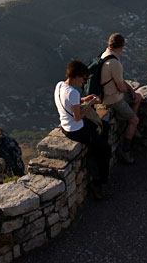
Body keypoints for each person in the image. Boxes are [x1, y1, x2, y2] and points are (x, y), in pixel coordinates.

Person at [54, 60, 111, 199]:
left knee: (105, 127)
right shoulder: (72, 92)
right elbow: (78, 117)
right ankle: (98, 182)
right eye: (83, 78)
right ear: (77, 76)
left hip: (66, 125)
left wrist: (85, 98)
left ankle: (94, 152)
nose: (83, 81)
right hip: (76, 130)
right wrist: (91, 103)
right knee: (106, 150)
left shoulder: (60, 85)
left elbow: (70, 104)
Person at [99, 33, 141, 164]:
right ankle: (125, 150)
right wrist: (129, 89)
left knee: (138, 97)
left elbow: (120, 82)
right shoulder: (115, 63)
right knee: (135, 120)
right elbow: (121, 88)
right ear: (121, 47)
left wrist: (131, 90)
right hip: (113, 99)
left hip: (106, 95)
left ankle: (130, 125)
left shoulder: (104, 55)